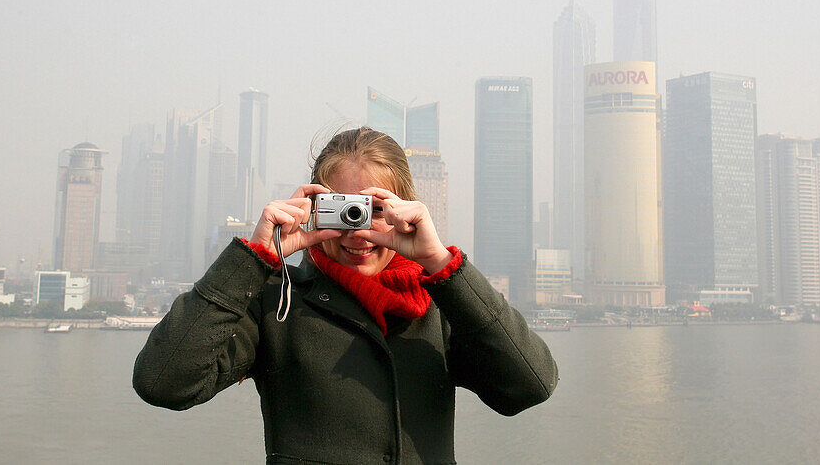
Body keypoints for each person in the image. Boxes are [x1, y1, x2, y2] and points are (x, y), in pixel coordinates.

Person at [133, 127, 558, 464]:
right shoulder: (277, 304)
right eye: (341, 209)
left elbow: (530, 385)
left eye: (373, 211)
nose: (357, 231)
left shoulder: (441, 306)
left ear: (406, 210)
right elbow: (163, 382)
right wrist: (257, 257)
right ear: (313, 207)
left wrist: (438, 262)